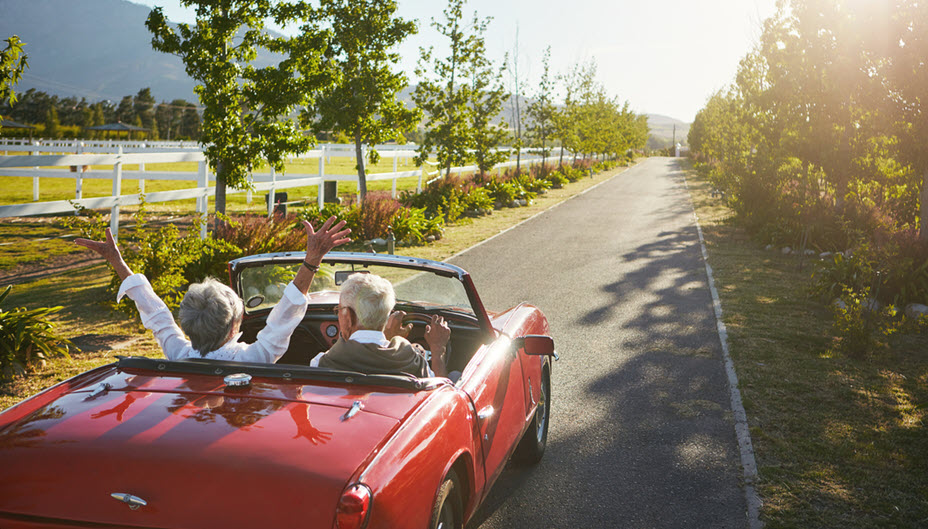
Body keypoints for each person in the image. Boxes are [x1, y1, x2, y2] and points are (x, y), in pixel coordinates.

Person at [74, 217, 351, 363]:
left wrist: (118, 262)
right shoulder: (254, 359)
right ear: (233, 328)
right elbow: (286, 314)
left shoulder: (178, 354)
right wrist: (312, 258)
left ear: (188, 325)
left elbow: (156, 313)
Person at [309, 272, 451, 378]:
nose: (338, 315)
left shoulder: (322, 363)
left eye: (338, 310)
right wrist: (438, 350)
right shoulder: (413, 360)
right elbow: (440, 393)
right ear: (386, 315)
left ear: (348, 317)